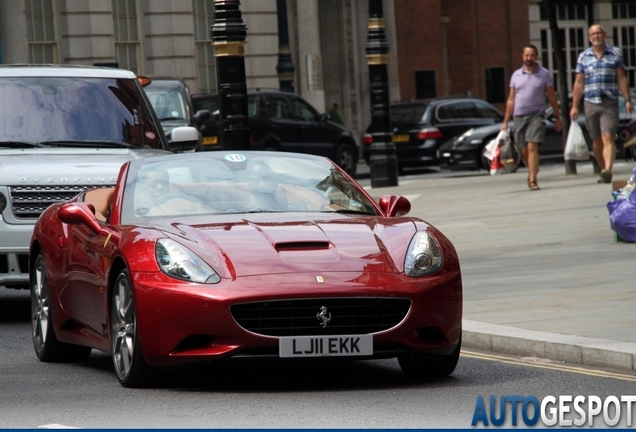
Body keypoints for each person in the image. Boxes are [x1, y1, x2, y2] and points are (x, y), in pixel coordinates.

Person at [570, 24, 633, 184]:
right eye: (593, 34)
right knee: (596, 138)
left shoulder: (615, 53)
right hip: (590, 101)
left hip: (609, 100)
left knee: (608, 136)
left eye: (599, 33)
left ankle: (608, 169)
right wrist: (575, 105)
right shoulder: (584, 56)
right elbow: (578, 82)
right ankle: (603, 168)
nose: (596, 36)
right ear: (589, 37)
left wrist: (627, 99)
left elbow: (621, 78)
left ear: (604, 34)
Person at [502, 44, 562, 191]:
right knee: (522, 150)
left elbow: (552, 96)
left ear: (536, 56)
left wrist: (557, 117)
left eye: (532, 55)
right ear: (522, 56)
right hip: (518, 116)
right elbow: (511, 99)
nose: (529, 58)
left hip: (537, 115)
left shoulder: (544, 74)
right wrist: (505, 122)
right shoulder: (515, 75)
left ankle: (533, 179)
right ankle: (532, 170)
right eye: (527, 55)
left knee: (532, 146)